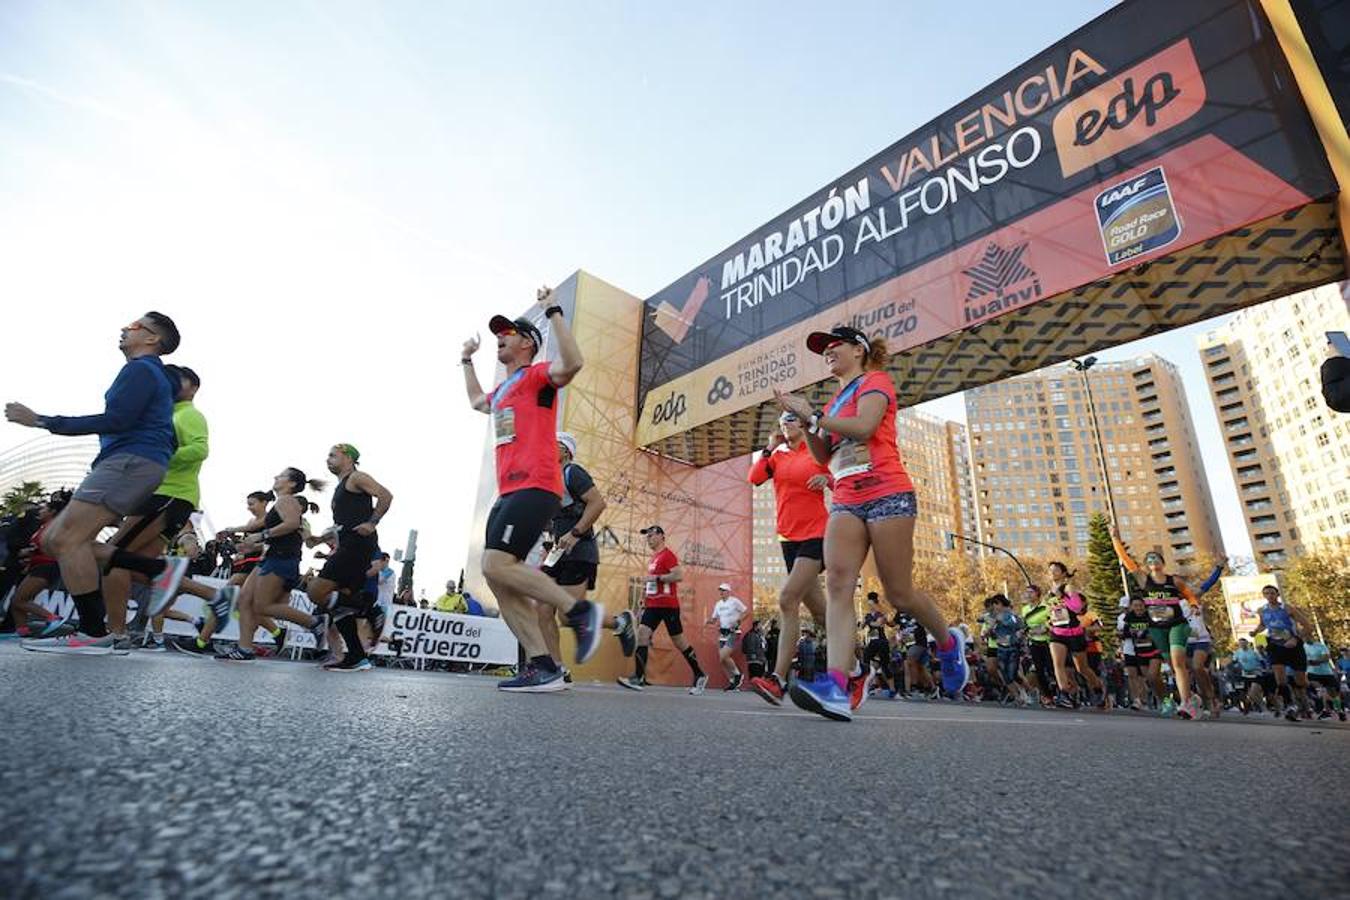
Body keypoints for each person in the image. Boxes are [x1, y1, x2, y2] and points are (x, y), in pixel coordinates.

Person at [775, 325, 967, 720]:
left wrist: (814, 416)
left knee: (898, 593)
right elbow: (824, 456)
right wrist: (809, 422)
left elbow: (864, 427)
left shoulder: (875, 381)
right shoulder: (832, 402)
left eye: (834, 345)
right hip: (846, 497)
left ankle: (949, 644)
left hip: (887, 492)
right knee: (840, 585)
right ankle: (837, 686)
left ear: (858, 350)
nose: (827, 352)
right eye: (822, 349)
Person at [8, 312, 186, 654]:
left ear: (152, 339)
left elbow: (118, 419)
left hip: (129, 461)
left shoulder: (141, 369)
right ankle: (155, 569)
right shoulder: (155, 377)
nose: (124, 328)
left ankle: (95, 633)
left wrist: (41, 420)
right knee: (57, 540)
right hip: (132, 462)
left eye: (134, 326)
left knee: (66, 539)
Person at [461, 287, 604, 691]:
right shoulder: (503, 390)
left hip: (536, 484)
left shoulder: (537, 375)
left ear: (527, 343)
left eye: (507, 332)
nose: (500, 338)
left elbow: (573, 362)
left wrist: (553, 310)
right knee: (499, 578)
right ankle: (543, 666)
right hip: (507, 493)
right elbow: (475, 401)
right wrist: (466, 359)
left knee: (494, 564)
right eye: (497, 334)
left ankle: (578, 612)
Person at [745, 411, 831, 705]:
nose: (786, 422)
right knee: (820, 612)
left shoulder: (816, 448)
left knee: (787, 599)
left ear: (804, 424)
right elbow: (754, 478)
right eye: (782, 420)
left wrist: (825, 478)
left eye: (792, 418)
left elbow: (836, 477)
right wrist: (768, 448)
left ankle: (777, 680)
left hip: (817, 533)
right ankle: (856, 667)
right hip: (788, 538)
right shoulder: (777, 457)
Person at [537, 432, 636, 678]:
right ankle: (557, 670)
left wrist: (575, 533)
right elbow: (551, 520)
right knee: (542, 610)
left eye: (556, 444)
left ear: (566, 451)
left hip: (579, 550)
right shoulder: (550, 480)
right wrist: (548, 544)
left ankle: (620, 623)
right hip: (557, 554)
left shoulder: (573, 472)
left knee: (568, 616)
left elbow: (598, 503)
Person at [213, 469, 329, 662]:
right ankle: (244, 648)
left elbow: (291, 524)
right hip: (272, 556)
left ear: (291, 484)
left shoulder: (287, 500)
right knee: (245, 600)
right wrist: (231, 530)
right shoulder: (281, 502)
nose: (276, 477)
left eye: (281, 476)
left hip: (282, 557)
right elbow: (259, 525)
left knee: (263, 606)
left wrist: (261, 536)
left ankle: (314, 622)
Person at [301, 444, 393, 672]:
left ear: (348, 457)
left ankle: (369, 610)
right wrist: (318, 539)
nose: (327, 459)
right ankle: (357, 657)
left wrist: (372, 523)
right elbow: (340, 526)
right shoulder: (341, 486)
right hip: (348, 544)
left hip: (357, 546)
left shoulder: (356, 477)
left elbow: (386, 495)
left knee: (315, 591)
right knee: (338, 605)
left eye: (333, 455)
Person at [1111, 526, 1201, 719]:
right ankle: (1191, 696)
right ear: (1146, 565)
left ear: (1162, 562)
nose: (1153, 561)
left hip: (1177, 624)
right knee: (1172, 663)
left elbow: (1189, 595)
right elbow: (1126, 561)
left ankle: (1186, 705)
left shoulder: (1173, 580)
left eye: (1156, 558)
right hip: (1157, 628)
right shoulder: (1143, 580)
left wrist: (1193, 605)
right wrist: (1115, 539)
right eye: (1149, 559)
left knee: (1177, 663)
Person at [618, 525, 708, 694]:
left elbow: (678, 575)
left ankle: (700, 674)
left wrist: (657, 578)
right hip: (652, 605)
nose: (648, 539)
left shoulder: (668, 555)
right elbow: (653, 582)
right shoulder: (653, 558)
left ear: (661, 536)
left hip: (668, 606)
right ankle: (638, 677)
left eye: (651, 535)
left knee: (679, 642)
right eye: (647, 536)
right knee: (642, 635)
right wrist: (644, 597)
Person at [3, 491, 74, 639]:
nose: (39, 511)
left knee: (19, 600)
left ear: (52, 512)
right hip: (38, 567)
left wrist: (29, 552)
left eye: (43, 509)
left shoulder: (53, 527)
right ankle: (22, 632)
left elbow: (49, 547)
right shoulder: (44, 527)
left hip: (46, 568)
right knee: (16, 601)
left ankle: (54, 619)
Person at [1045, 562, 1105, 709]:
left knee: (1082, 668)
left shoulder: (1068, 588)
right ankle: (1064, 694)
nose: (1052, 572)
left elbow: (1078, 608)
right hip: (1057, 632)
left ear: (1064, 573)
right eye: (1050, 570)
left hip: (1074, 633)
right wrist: (1049, 621)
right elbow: (1050, 611)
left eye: (1056, 570)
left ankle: (1098, 687)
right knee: (1058, 664)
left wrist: (1063, 597)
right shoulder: (1049, 592)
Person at [1252, 585, 1314, 721]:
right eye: (1266, 593)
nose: (1270, 596)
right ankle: (1289, 706)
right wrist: (1256, 631)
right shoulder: (1262, 610)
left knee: (1301, 681)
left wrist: (1295, 639)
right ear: (1264, 596)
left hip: (1293, 646)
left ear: (1277, 594)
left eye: (1272, 593)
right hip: (1275, 645)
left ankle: (1309, 698)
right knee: (1280, 679)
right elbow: (1263, 624)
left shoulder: (1287, 608)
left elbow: (1308, 626)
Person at [1118, 596, 1167, 712]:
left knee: (1153, 675)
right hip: (1140, 651)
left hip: (1154, 650)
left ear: (1144, 606)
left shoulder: (1150, 616)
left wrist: (1150, 634)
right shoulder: (1129, 618)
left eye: (1140, 605)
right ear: (1131, 607)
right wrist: (1131, 633)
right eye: (1135, 606)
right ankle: (1161, 698)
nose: (1138, 608)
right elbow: (1125, 634)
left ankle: (1165, 700)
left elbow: (1160, 629)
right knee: (1150, 679)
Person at [989, 595, 1029, 706]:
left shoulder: (1011, 615)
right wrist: (991, 630)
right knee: (1004, 674)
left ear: (1001, 603)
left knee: (1013, 673)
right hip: (1001, 647)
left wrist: (1002, 622)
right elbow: (994, 634)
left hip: (1012, 648)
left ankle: (1028, 691)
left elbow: (1018, 625)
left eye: (996, 604)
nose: (995, 607)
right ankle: (1017, 697)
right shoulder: (996, 617)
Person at [707, 583, 748, 690]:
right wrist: (709, 621)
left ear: (728, 592)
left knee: (723, 656)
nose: (721, 592)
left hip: (733, 632)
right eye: (720, 590)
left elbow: (746, 612)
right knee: (722, 659)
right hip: (723, 633)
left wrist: (738, 621)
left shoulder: (734, 601)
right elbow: (714, 618)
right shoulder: (718, 604)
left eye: (724, 590)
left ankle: (738, 675)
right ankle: (732, 680)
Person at [1020, 585, 1055, 707]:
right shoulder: (1025, 609)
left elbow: (1052, 621)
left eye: (1031, 592)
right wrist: (1025, 631)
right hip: (1033, 642)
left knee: (1051, 668)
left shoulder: (1046, 607)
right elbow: (1024, 625)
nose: (1028, 595)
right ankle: (1047, 695)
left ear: (1038, 594)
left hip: (1048, 642)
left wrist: (1044, 628)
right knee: (1039, 670)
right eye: (1027, 592)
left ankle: (1060, 693)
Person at [861, 593, 896, 697]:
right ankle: (870, 685)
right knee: (866, 661)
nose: (870, 606)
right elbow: (861, 626)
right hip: (872, 642)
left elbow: (878, 624)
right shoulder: (867, 615)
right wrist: (863, 623)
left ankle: (892, 689)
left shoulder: (881, 614)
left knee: (885, 665)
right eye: (869, 604)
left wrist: (869, 622)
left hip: (881, 641)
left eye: (872, 603)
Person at [1232, 638, 1269, 715]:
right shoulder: (1237, 653)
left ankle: (1260, 707)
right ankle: (1249, 706)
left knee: (1253, 692)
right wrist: (1236, 668)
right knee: (1243, 693)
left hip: (1255, 674)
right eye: (1240, 643)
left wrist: (1265, 669)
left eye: (1244, 643)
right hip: (1244, 675)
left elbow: (1262, 661)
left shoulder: (1254, 652)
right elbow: (1234, 663)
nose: (1242, 645)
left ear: (1247, 643)